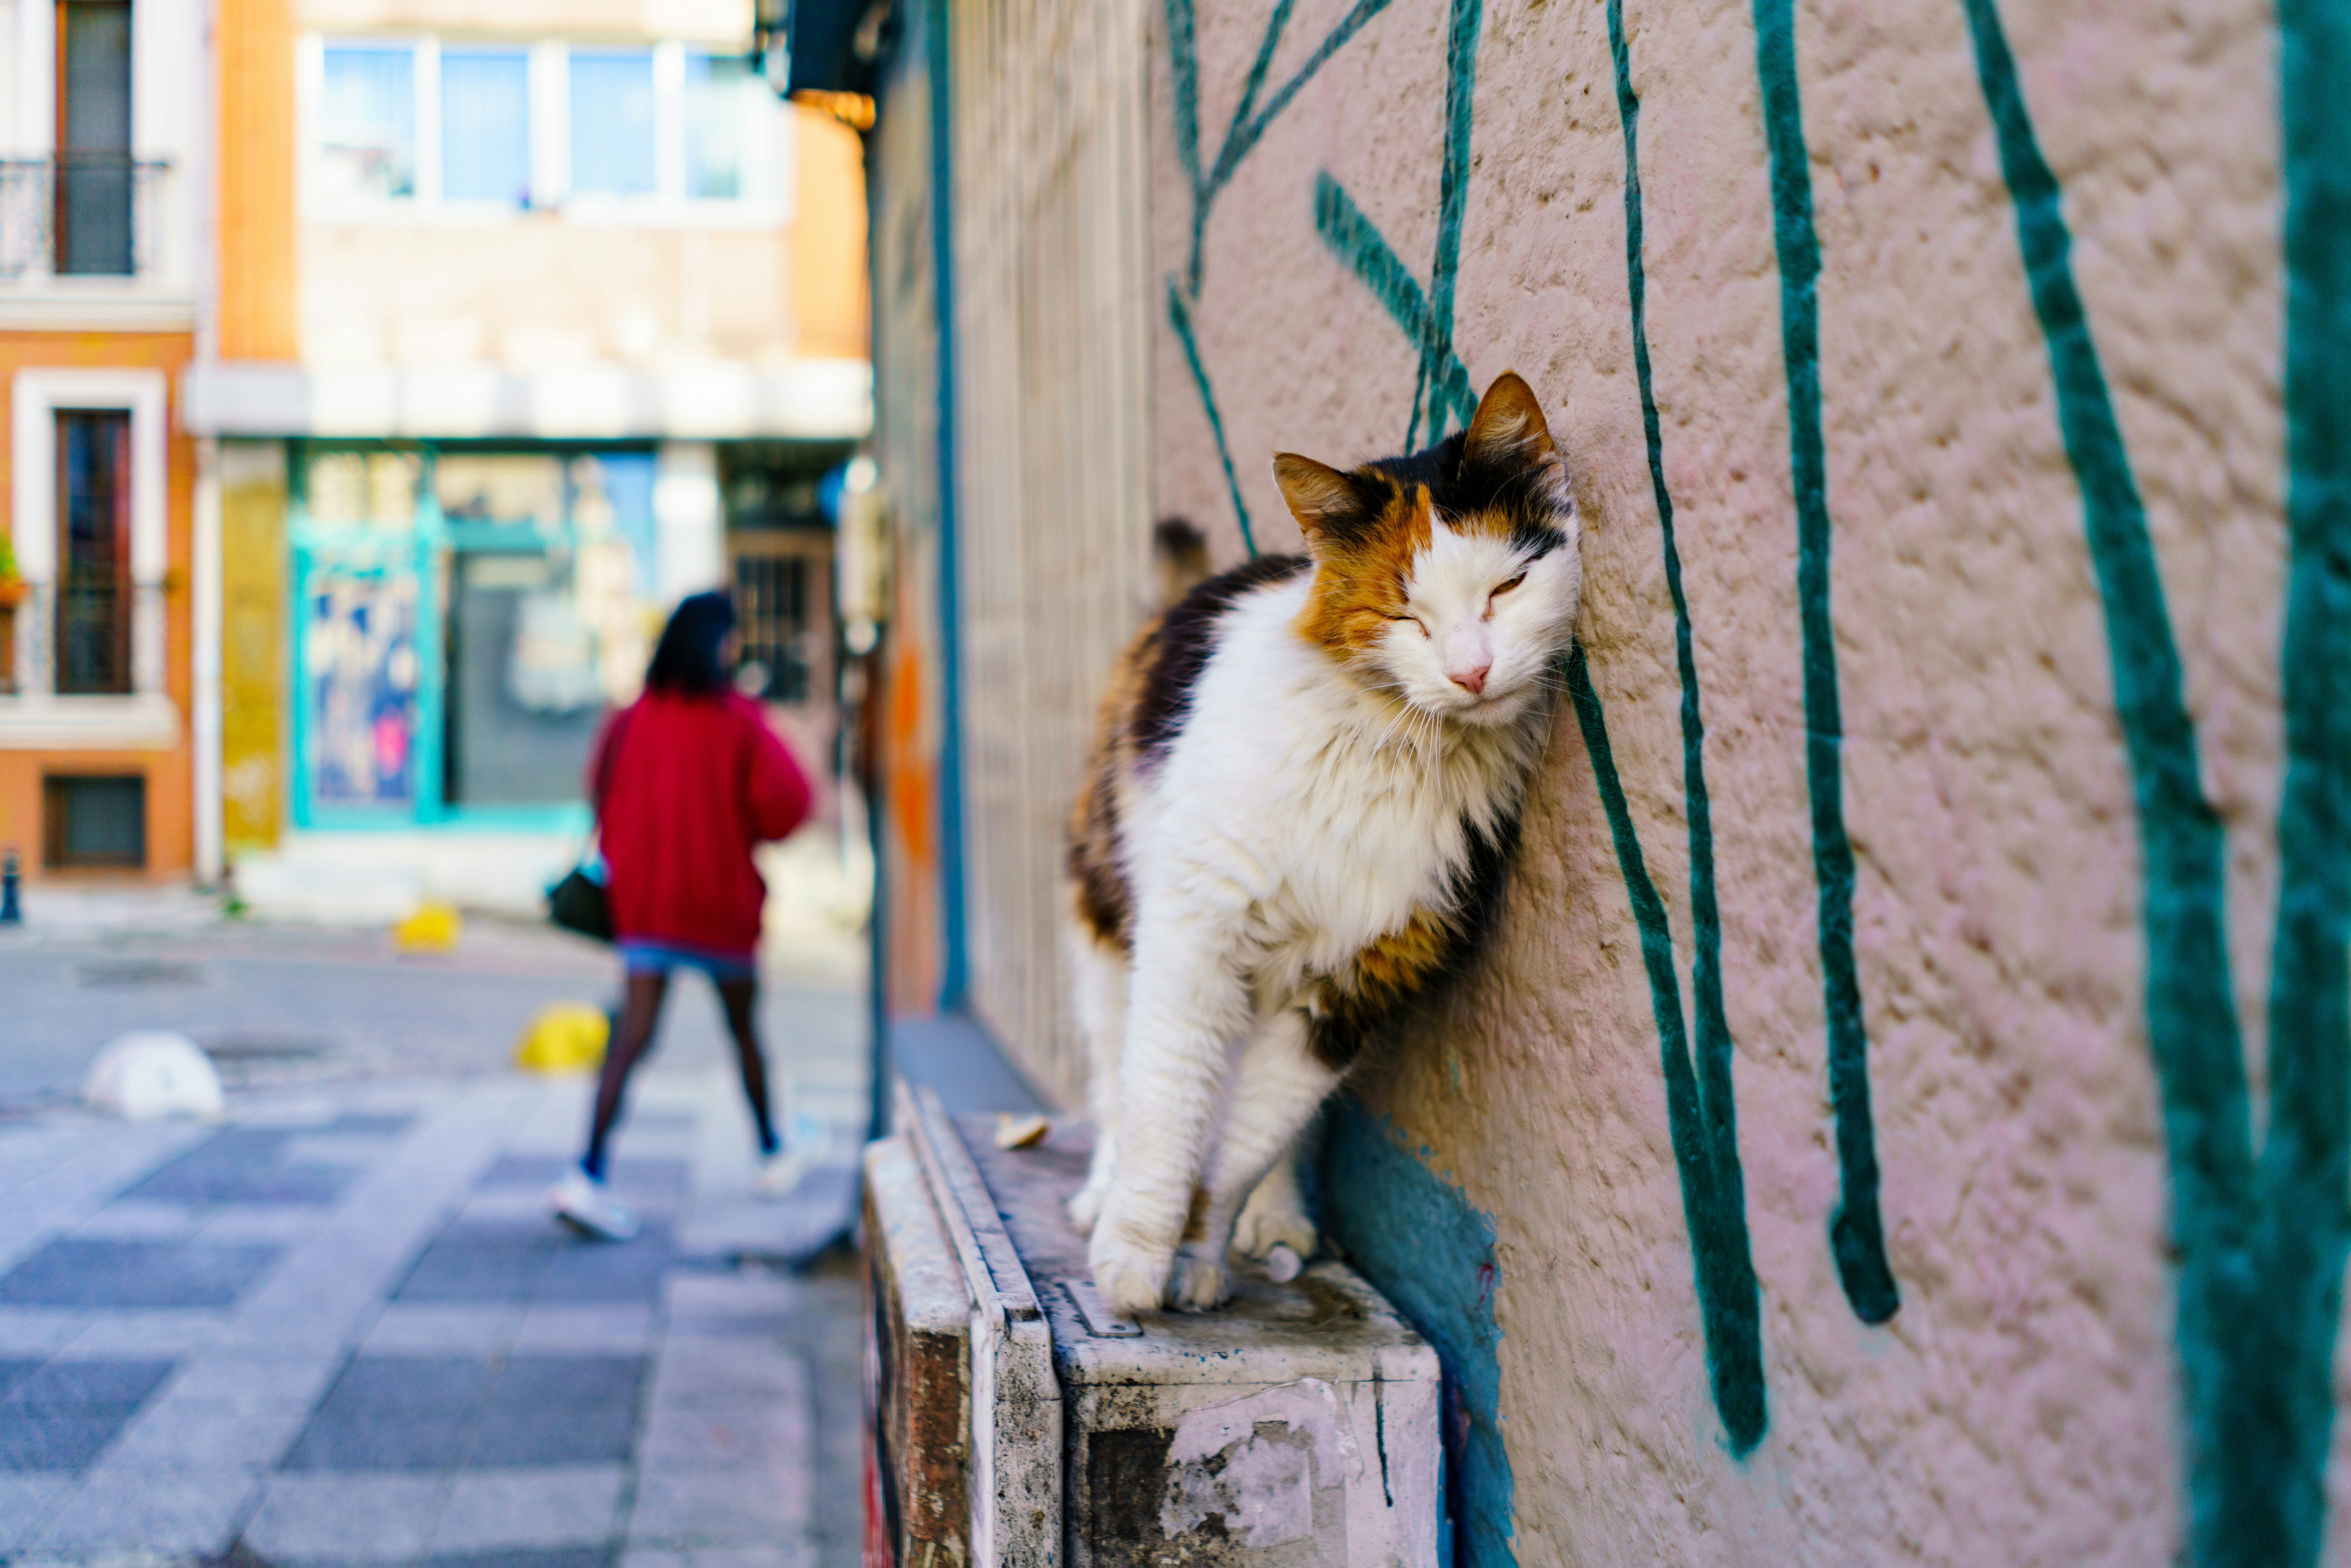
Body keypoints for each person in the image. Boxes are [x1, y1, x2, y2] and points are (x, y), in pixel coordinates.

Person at [549, 590, 824, 1241]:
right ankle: (772, 1150)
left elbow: (597, 790)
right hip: (720, 910)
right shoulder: (738, 720)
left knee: (633, 1038)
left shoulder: (631, 718)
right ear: (716, 644)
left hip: (645, 908)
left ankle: (587, 1174)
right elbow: (789, 806)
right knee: (743, 1032)